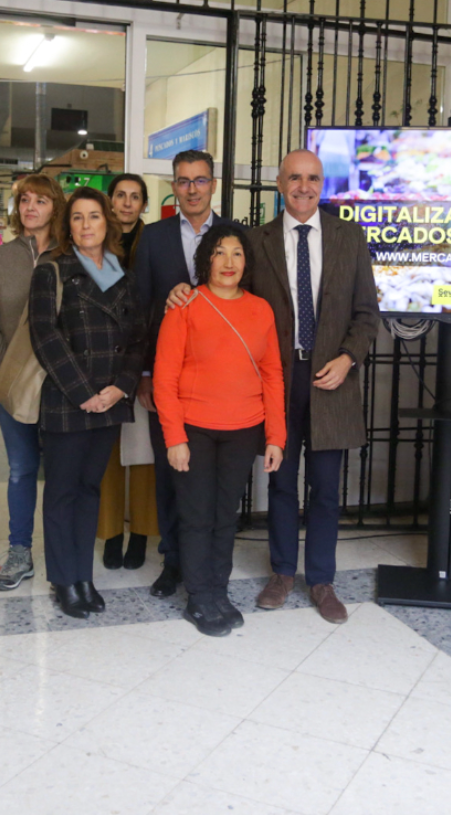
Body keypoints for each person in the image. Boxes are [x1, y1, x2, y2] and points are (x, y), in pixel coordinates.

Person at [243, 149, 379, 622]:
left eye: (313, 179)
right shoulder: (255, 241)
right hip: (278, 380)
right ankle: (282, 572)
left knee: (325, 487)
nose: (304, 186)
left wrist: (348, 358)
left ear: (323, 185)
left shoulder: (348, 237)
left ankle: (321, 580)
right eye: (295, 178)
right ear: (280, 183)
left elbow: (366, 314)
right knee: (281, 483)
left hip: (332, 378)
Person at [156, 225, 286, 636]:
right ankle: (198, 596)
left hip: (243, 428)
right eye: (219, 253)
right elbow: (164, 376)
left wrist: (276, 437)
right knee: (196, 516)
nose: (228, 262)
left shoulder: (261, 309)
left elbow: (273, 375)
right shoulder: (186, 305)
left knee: (225, 517)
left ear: (246, 262)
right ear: (206, 260)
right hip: (194, 429)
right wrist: (174, 437)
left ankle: (218, 589)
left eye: (236, 254)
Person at [30, 187, 146, 618]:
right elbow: (45, 335)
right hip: (68, 399)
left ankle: (84, 577)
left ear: (107, 222)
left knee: (89, 489)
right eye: (77, 218)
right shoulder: (52, 271)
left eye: (94, 217)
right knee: (62, 492)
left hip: (111, 400)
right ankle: (64, 580)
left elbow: (138, 339)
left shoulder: (124, 275)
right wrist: (84, 394)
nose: (86, 226)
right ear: (67, 225)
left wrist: (121, 387)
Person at [133, 150, 238, 598]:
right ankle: (173, 563)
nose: (192, 189)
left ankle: (211, 567)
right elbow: (139, 307)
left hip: (220, 382)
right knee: (170, 472)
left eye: (199, 180)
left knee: (214, 482)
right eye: (183, 181)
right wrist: (141, 373)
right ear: (173, 188)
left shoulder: (235, 236)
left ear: (213, 185)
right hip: (167, 380)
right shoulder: (153, 238)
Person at [0, 174, 66, 591]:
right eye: (25, 200)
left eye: (41, 201)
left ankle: (65, 557)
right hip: (11, 385)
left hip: (62, 384)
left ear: (55, 207)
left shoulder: (72, 255)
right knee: (21, 469)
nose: (31, 207)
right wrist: (7, 365)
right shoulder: (0, 258)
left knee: (63, 472)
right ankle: (19, 552)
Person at [100, 172, 159, 570]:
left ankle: (139, 533)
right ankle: (110, 534)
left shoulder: (154, 242)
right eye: (120, 195)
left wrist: (148, 369)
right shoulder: (93, 240)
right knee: (105, 455)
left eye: (135, 197)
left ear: (143, 205)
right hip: (101, 362)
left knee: (142, 453)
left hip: (142, 359)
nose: (126, 203)